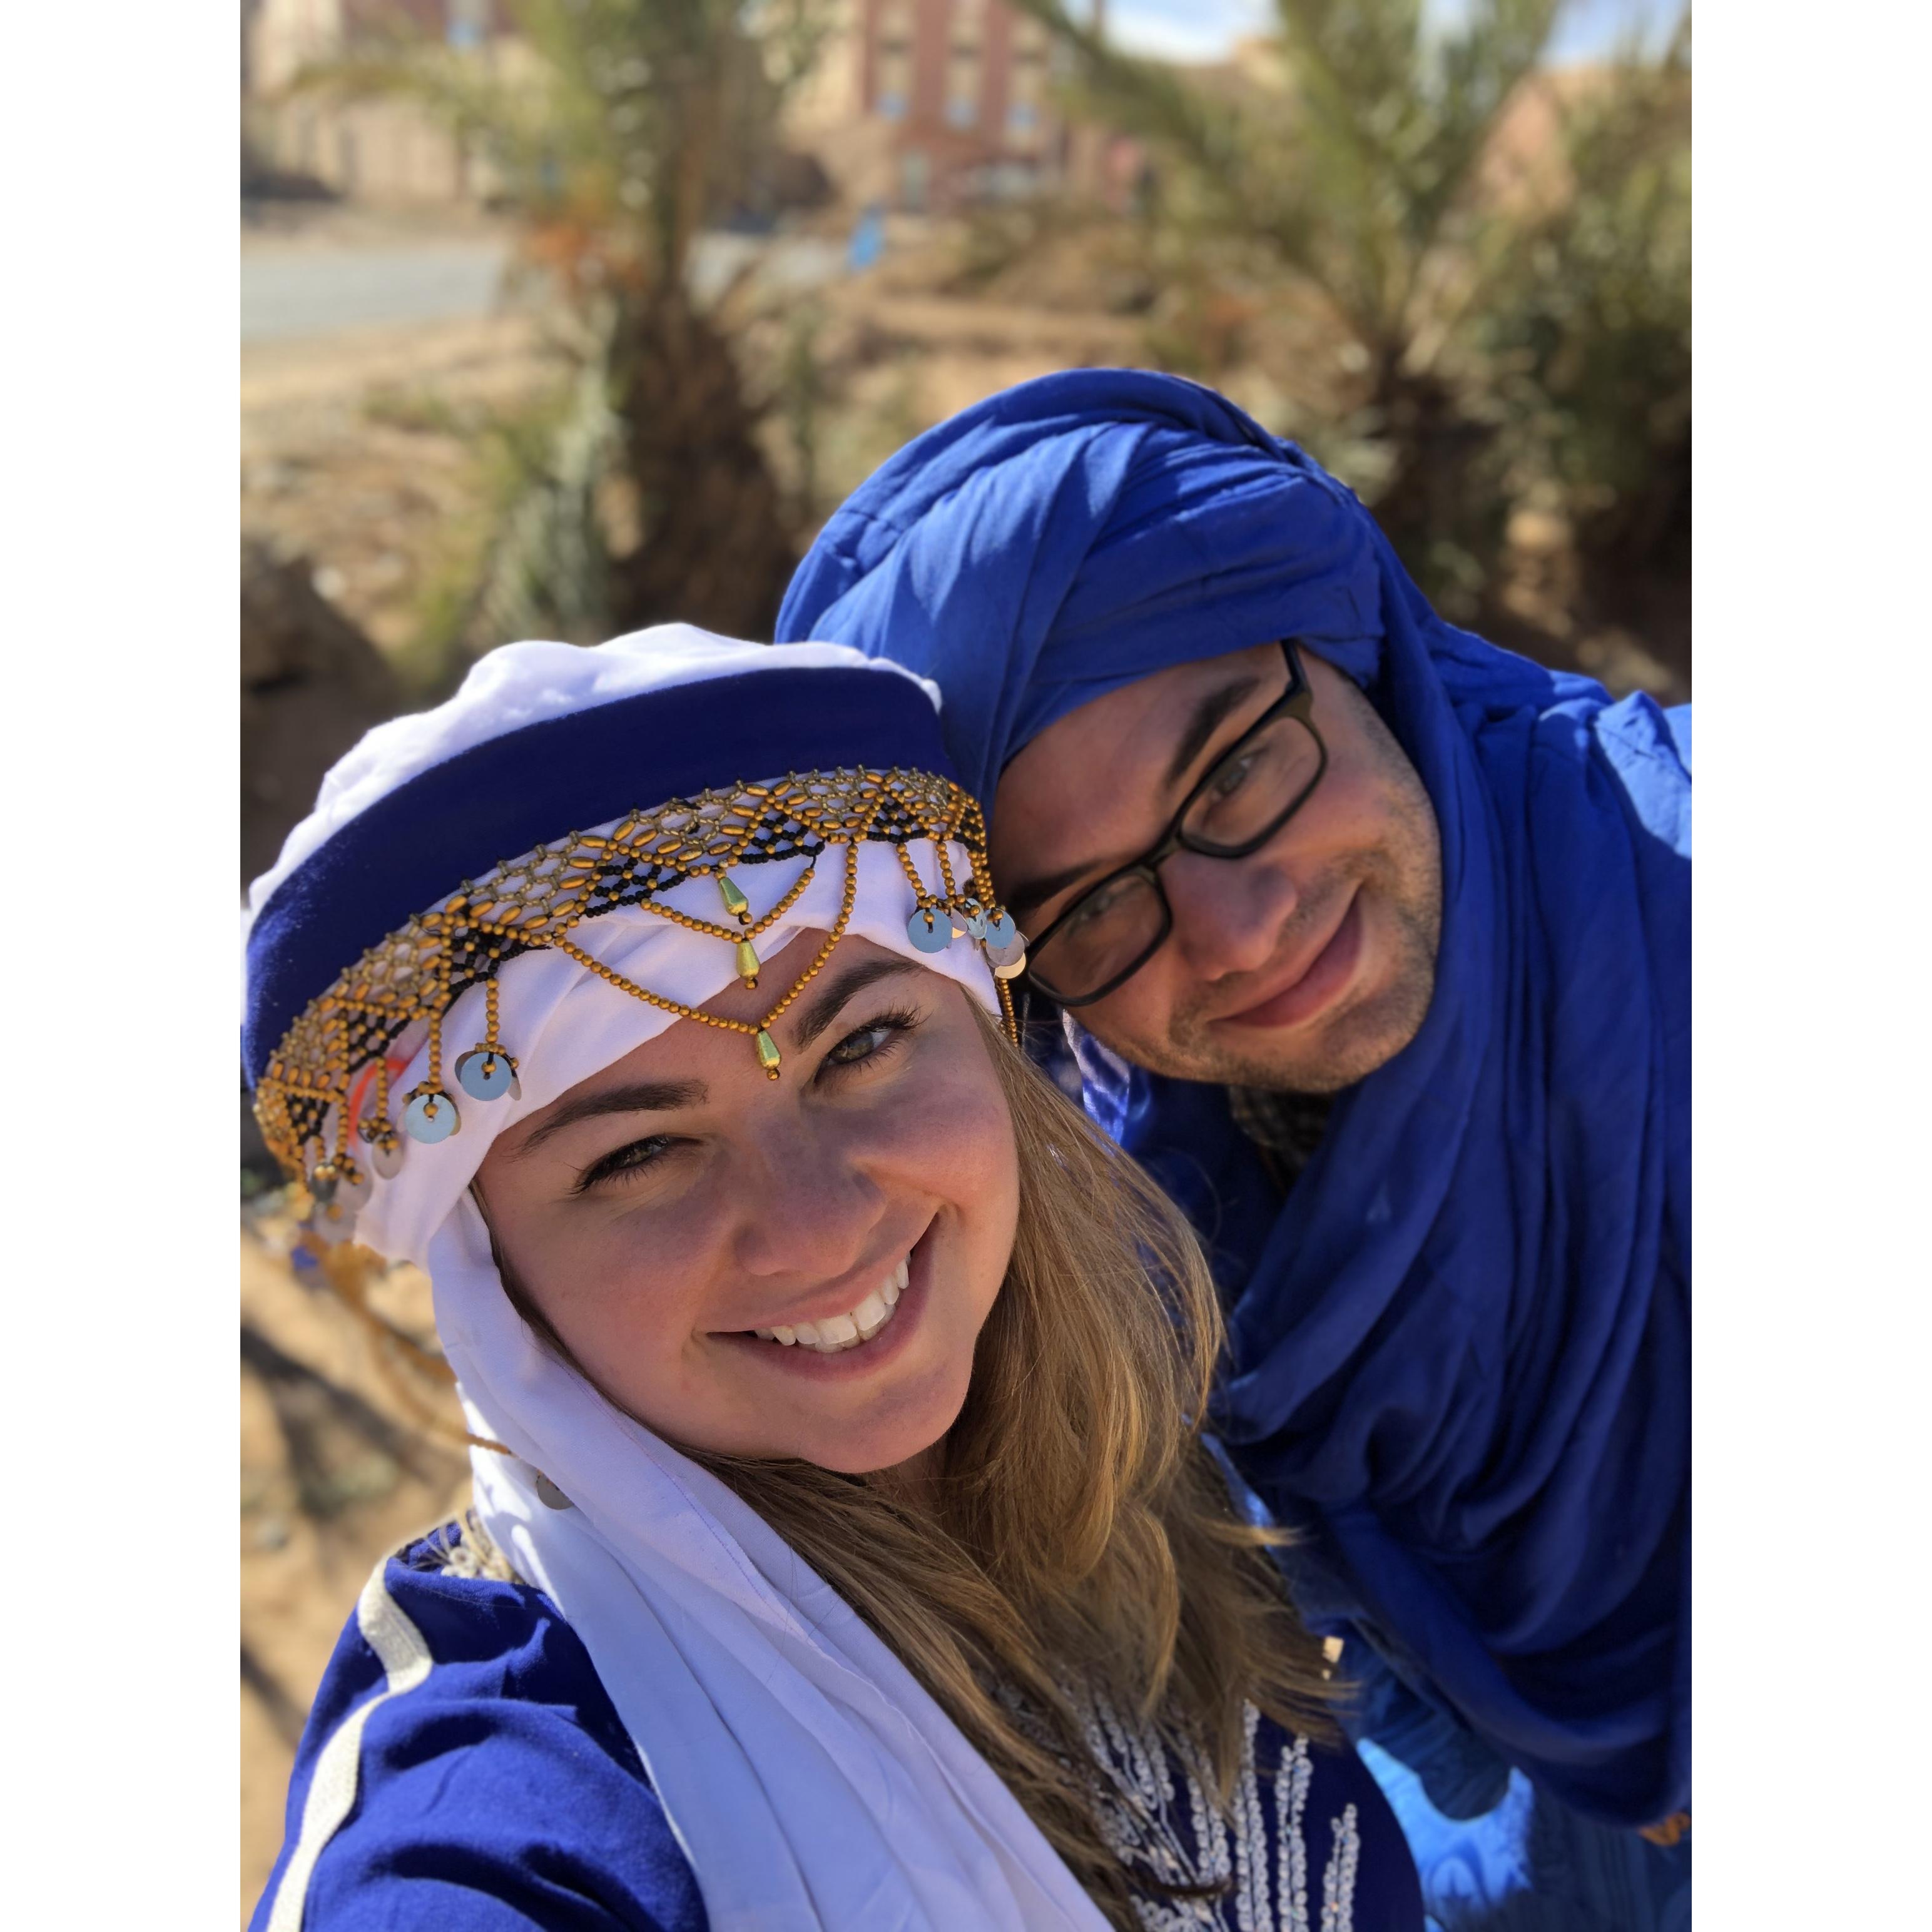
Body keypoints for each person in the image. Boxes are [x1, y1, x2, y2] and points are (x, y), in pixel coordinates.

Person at [243, 627, 1426, 1932]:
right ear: (486, 1266)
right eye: (639, 1151)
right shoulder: (495, 1810)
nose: (813, 1226)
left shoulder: (1140, 1442)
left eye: (862, 1042)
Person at [777, 370, 1691, 1928]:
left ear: (1358, 657)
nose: (1240, 926)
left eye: (1235, 768)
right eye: (1089, 903)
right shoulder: (1134, 1208)